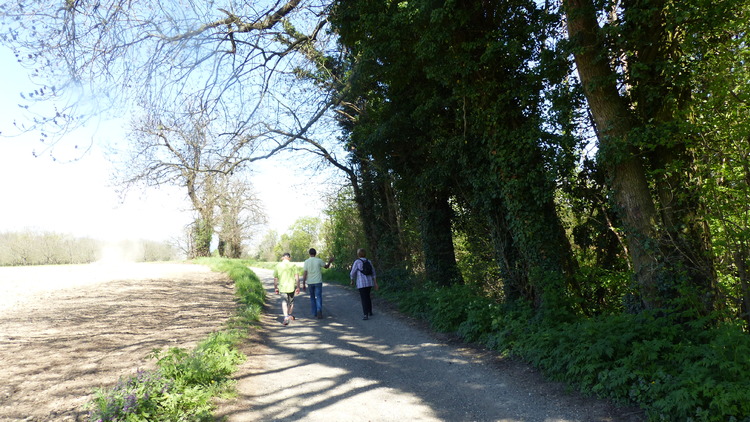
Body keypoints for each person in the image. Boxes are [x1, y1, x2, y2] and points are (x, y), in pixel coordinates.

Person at [302, 248, 334, 319]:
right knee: (318, 296)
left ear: (309, 254)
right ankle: (319, 310)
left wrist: (303, 283)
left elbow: (305, 273)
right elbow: (326, 267)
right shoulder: (319, 260)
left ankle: (314, 312)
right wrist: (329, 262)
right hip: (318, 281)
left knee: (312, 297)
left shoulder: (306, 261)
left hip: (310, 282)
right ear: (315, 253)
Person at [350, 248, 378, 320]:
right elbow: (373, 272)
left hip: (361, 283)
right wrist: (375, 282)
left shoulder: (357, 262)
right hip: (369, 282)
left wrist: (352, 280)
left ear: (358, 254)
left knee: (363, 298)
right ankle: (370, 311)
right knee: (368, 296)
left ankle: (365, 314)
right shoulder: (369, 261)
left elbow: (353, 272)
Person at [273, 252, 300, 326]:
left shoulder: (278, 266)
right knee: (291, 302)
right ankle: (288, 314)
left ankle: (286, 317)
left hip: (282, 287)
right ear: (289, 258)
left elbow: (275, 278)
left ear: (282, 258)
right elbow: (297, 277)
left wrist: (275, 287)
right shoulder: (293, 265)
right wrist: (298, 287)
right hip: (291, 286)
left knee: (284, 301)